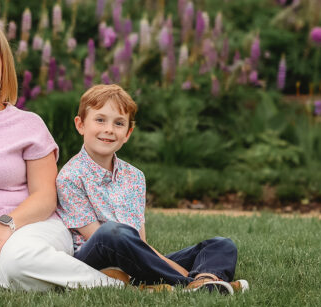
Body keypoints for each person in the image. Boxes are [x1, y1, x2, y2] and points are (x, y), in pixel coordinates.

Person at [0, 19, 119, 291]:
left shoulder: (28, 124)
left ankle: (112, 287)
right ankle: (46, 274)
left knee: (17, 257)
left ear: (3, 65)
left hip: (35, 228)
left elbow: (45, 196)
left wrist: (6, 225)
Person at [57, 83, 250, 294]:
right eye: (100, 120)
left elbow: (140, 243)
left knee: (221, 245)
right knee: (112, 232)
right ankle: (190, 284)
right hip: (95, 262)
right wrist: (180, 272)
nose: (109, 129)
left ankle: (204, 280)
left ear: (128, 133)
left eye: (119, 123)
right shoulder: (69, 177)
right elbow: (101, 240)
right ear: (81, 125)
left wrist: (163, 262)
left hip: (134, 258)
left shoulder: (134, 177)